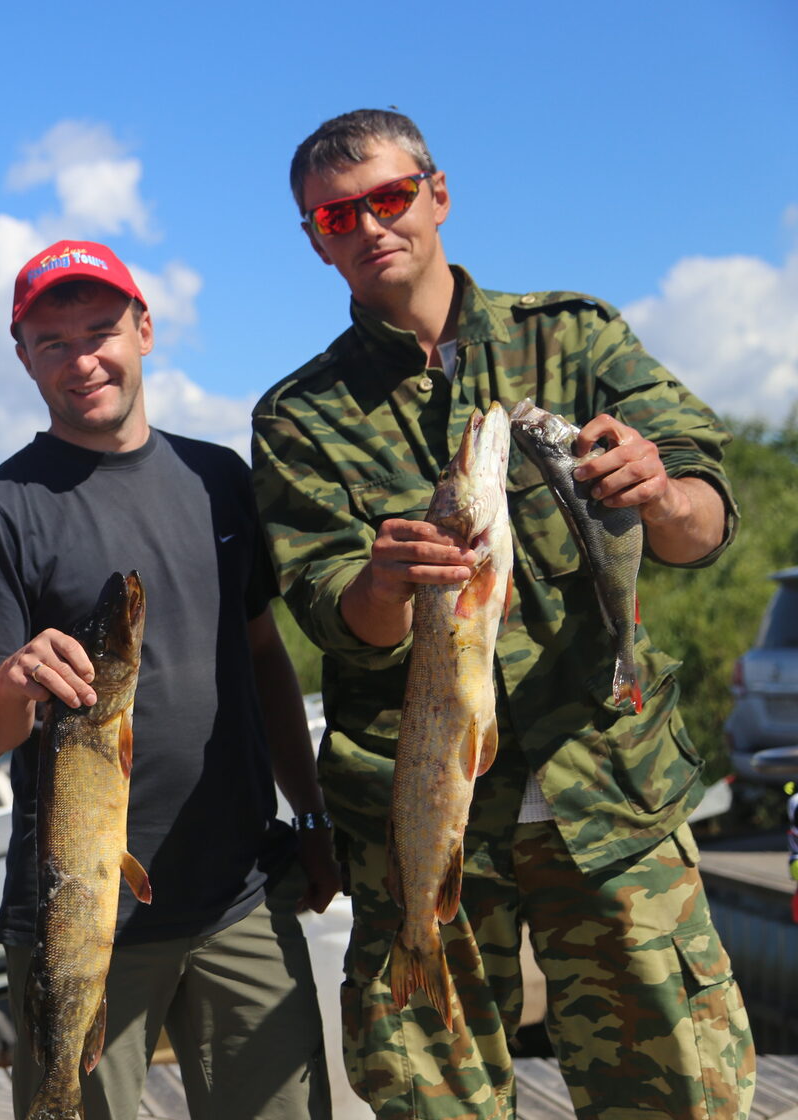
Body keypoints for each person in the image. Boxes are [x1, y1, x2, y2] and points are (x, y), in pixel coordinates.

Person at [252, 108, 756, 1119]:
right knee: (431, 1104)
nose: (368, 225)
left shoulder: (572, 335)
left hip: (611, 801)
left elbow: (703, 529)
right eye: (337, 215)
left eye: (389, 197)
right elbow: (331, 613)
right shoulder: (297, 416)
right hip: (419, 827)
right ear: (314, 239)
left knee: (679, 1098)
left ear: (439, 194)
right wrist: (383, 581)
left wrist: (658, 489)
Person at [0, 239, 337, 1120]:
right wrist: (14, 679)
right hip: (81, 921)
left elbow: (264, 657)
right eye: (53, 341)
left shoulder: (219, 477)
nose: (83, 360)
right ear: (22, 356)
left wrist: (308, 815)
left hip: (241, 896)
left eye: (101, 330)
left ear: (144, 329)